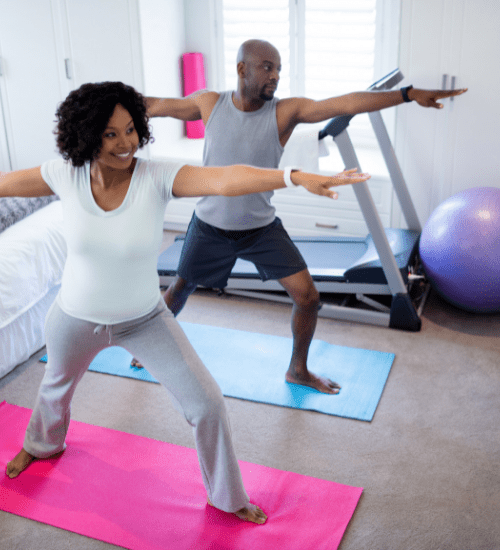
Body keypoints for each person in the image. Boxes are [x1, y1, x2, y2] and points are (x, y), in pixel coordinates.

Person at [1, 81, 370, 524]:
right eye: (110, 134)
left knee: (208, 404)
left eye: (131, 130)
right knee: (53, 390)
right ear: (85, 135)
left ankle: (227, 496)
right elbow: (4, 185)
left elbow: (228, 176)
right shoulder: (64, 174)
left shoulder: (156, 177)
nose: (126, 143)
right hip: (73, 319)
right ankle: (40, 446)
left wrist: (294, 176)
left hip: (144, 320)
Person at [142, 39, 467, 394]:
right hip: (209, 227)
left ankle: (298, 369)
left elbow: (344, 103)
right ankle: (148, 349)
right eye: (267, 67)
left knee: (308, 297)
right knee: (179, 289)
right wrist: (98, 105)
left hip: (260, 229)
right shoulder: (210, 103)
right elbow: (156, 105)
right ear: (241, 69)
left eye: (279, 69)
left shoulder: (284, 111)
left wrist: (406, 94)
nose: (276, 76)